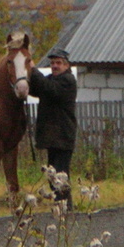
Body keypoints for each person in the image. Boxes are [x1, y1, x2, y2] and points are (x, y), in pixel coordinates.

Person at [29, 47, 77, 208]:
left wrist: (33, 70)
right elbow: (38, 88)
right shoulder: (52, 79)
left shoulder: (67, 81)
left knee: (60, 175)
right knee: (53, 175)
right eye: (52, 63)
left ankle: (65, 208)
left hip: (63, 136)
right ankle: (61, 206)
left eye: (58, 63)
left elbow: (49, 89)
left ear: (66, 65)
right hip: (53, 137)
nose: (55, 66)